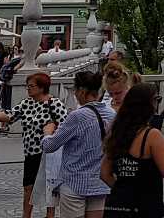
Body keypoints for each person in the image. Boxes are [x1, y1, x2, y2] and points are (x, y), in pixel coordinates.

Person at [0, 71, 67, 218]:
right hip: (30, 152)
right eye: (27, 86)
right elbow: (9, 115)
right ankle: (26, 215)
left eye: (31, 86)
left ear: (42, 87)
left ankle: (50, 215)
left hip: (48, 153)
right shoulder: (27, 103)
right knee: (28, 186)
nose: (29, 89)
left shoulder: (54, 104)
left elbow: (64, 127)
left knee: (49, 186)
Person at [42, 71, 116, 218]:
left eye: (75, 91)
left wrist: (47, 133)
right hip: (100, 181)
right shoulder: (112, 114)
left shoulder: (77, 116)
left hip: (75, 181)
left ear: (81, 90)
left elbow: (50, 146)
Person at [101, 82, 164, 217]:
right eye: (158, 100)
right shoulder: (151, 135)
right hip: (146, 207)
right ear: (152, 103)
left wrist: (123, 191)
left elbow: (104, 174)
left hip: (117, 207)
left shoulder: (117, 133)